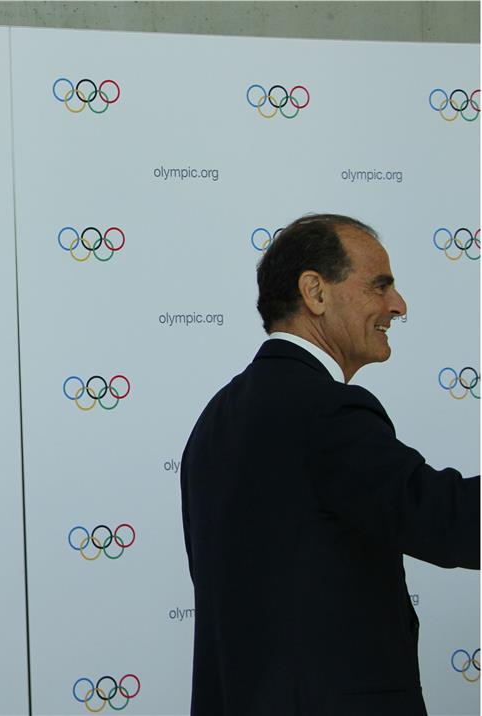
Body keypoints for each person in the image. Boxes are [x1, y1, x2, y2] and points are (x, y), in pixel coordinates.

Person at [180, 213, 479, 715]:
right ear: (315, 292)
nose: (398, 305)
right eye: (380, 286)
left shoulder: (214, 420)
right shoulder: (327, 410)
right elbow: (448, 521)